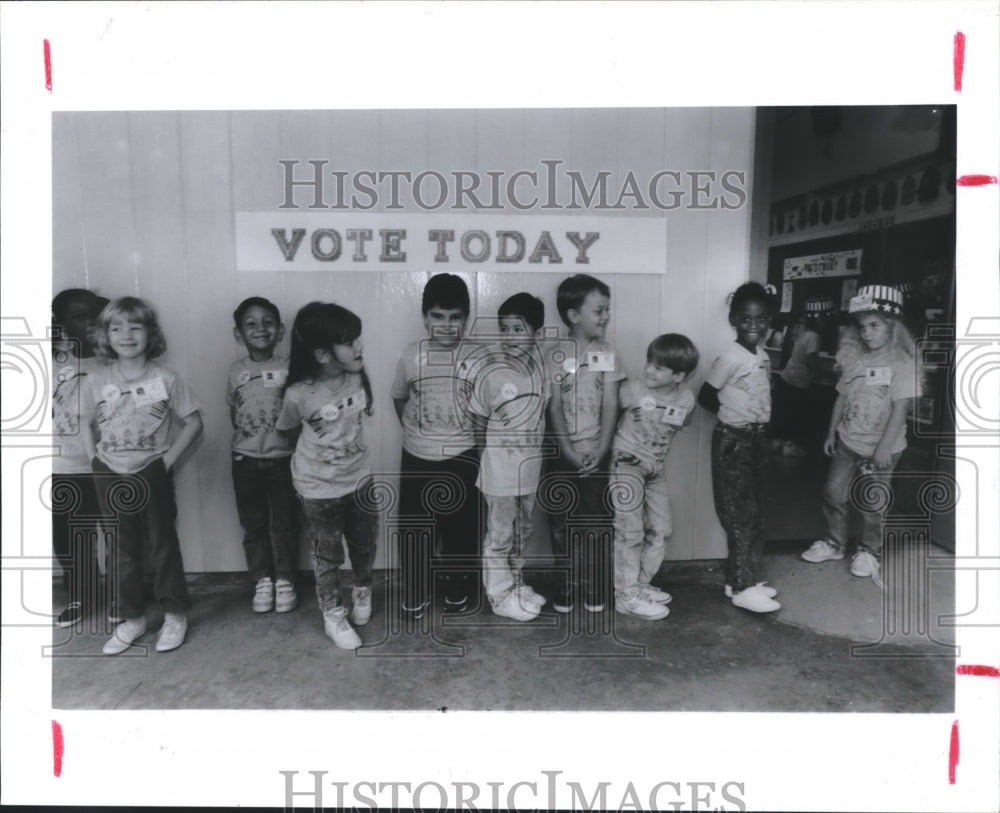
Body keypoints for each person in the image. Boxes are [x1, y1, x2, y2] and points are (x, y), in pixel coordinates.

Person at [82, 297, 203, 654]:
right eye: (116, 327)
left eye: (136, 326)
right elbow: (84, 423)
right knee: (122, 550)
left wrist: (165, 462)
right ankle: (131, 618)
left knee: (162, 545)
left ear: (151, 334)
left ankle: (175, 614)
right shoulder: (97, 379)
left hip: (151, 470)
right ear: (106, 336)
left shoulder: (165, 378)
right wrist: (94, 460)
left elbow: (194, 422)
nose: (127, 335)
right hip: (109, 472)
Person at [801, 285, 919, 586]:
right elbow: (840, 398)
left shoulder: (903, 364)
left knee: (872, 503)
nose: (867, 333)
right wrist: (831, 432)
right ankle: (835, 543)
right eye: (863, 326)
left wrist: (884, 448)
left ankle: (869, 551)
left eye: (875, 326)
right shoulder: (854, 359)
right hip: (848, 441)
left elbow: (899, 410)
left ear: (892, 328)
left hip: (881, 448)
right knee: (833, 492)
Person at [276, 302, 377, 650]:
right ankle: (333, 614)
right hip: (317, 489)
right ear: (322, 354)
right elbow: (287, 432)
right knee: (328, 555)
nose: (360, 347)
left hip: (360, 480)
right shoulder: (298, 394)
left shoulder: (357, 377)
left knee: (364, 545)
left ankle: (362, 591)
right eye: (350, 342)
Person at [390, 274, 482, 619]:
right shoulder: (411, 355)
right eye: (438, 317)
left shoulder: (478, 356)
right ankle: (416, 587)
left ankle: (458, 585)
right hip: (417, 456)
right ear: (425, 317)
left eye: (455, 317)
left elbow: (485, 409)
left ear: (467, 318)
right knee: (416, 527)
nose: (446, 326)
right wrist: (420, 435)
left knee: (462, 526)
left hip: (464, 456)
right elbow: (400, 399)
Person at [698, 282, 781, 613]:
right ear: (734, 319)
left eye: (761, 319)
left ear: (768, 321)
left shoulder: (763, 355)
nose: (753, 326)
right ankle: (744, 585)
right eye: (746, 319)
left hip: (757, 440)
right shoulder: (729, 357)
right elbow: (706, 395)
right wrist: (733, 419)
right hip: (734, 441)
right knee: (739, 515)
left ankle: (739, 579)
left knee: (756, 512)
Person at [545, 274, 625, 614]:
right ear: (574, 315)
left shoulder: (607, 353)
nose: (606, 316)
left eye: (608, 309)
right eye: (599, 310)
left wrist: (602, 449)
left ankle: (594, 584)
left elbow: (611, 404)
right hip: (563, 454)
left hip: (597, 453)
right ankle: (567, 582)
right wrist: (568, 450)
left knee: (595, 522)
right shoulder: (553, 354)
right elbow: (553, 406)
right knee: (562, 521)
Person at [468, 293, 549, 622]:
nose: (510, 337)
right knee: (499, 534)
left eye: (518, 329)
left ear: (537, 335)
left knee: (522, 529)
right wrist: (488, 459)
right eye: (505, 329)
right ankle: (499, 595)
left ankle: (515, 583)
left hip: (528, 472)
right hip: (499, 474)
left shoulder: (542, 374)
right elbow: (476, 419)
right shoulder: (492, 375)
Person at [610, 334, 699, 620]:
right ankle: (625, 595)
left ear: (679, 375)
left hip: (655, 469)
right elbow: (607, 413)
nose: (649, 370)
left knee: (661, 530)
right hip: (626, 465)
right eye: (650, 362)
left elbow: (683, 422)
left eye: (659, 367)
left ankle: (639, 584)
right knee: (629, 532)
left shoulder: (686, 397)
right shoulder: (633, 390)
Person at [227, 297, 299, 614]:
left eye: (268, 322)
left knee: (284, 523)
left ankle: (284, 579)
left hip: (284, 459)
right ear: (238, 333)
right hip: (244, 460)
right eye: (251, 324)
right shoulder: (235, 370)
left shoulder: (289, 368)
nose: (260, 329)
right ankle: (262, 580)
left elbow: (299, 412)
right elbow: (234, 411)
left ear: (280, 330)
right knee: (253, 523)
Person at [51, 288, 108, 627]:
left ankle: (120, 592)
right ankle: (80, 595)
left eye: (93, 314)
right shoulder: (51, 359)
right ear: (61, 323)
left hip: (108, 463)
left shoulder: (113, 357)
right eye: (78, 316)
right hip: (63, 465)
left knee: (117, 532)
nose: (88, 322)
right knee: (70, 534)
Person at [771, 297, 836, 456]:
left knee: (785, 413)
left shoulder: (804, 332)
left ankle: (778, 442)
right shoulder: (814, 336)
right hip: (798, 381)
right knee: (796, 414)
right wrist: (826, 374)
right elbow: (811, 359)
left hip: (788, 376)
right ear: (821, 319)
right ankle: (790, 445)